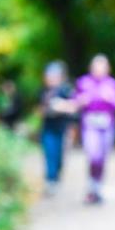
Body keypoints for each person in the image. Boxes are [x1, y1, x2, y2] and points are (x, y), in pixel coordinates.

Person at [75, 54, 115, 204]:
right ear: (91, 68)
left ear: (108, 69)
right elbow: (74, 102)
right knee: (94, 154)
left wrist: (112, 98)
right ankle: (92, 185)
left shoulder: (113, 84)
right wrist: (81, 101)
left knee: (103, 157)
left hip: (107, 125)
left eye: (102, 67)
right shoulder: (83, 82)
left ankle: (97, 188)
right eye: (96, 66)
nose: (99, 70)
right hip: (90, 124)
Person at [38, 61, 77, 196]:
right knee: (49, 154)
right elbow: (39, 111)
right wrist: (47, 109)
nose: (51, 79)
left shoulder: (65, 90)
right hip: (48, 129)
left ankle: (56, 177)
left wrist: (62, 106)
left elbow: (74, 107)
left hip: (62, 129)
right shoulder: (43, 91)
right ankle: (50, 180)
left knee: (59, 156)